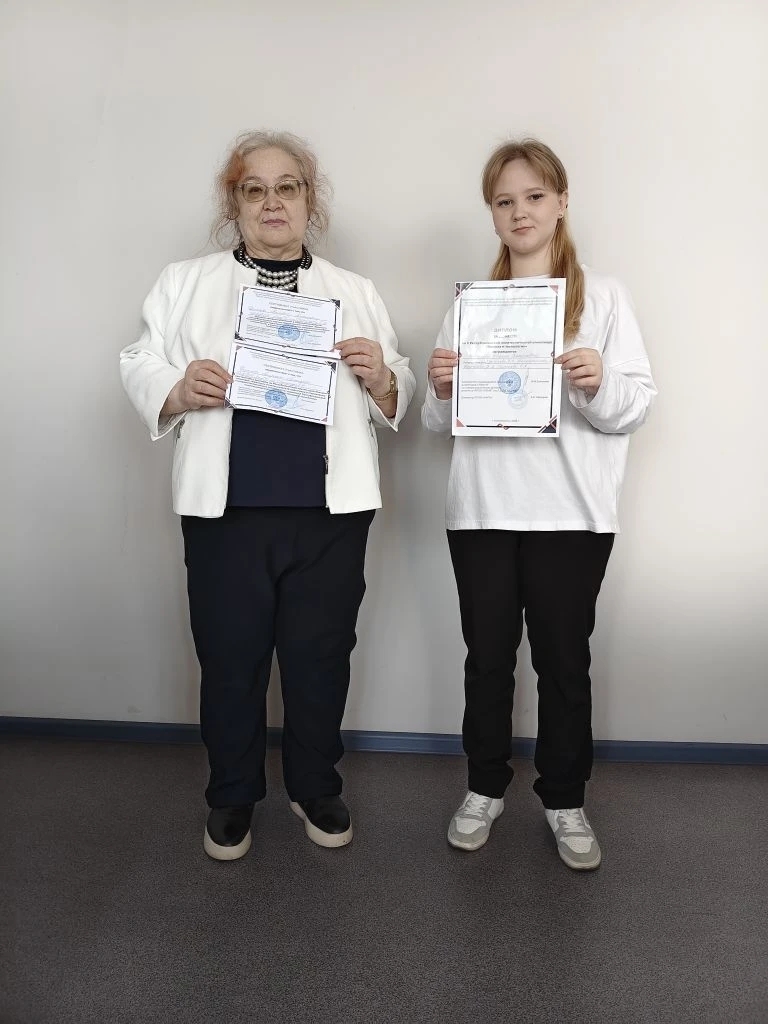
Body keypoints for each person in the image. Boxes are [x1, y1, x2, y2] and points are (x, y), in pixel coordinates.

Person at [121, 131, 415, 860]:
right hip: (227, 514)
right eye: (255, 189)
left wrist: (383, 375)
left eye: (288, 187)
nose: (272, 202)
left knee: (321, 658)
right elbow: (139, 359)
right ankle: (232, 795)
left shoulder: (354, 290)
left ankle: (316, 786)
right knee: (230, 660)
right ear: (236, 205)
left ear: (311, 201)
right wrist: (175, 387)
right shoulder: (185, 282)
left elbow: (398, 386)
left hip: (330, 514)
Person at [422, 139, 656, 870]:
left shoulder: (604, 299)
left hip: (570, 515)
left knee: (562, 663)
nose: (519, 212)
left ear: (561, 202)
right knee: (487, 660)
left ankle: (565, 800)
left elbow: (635, 406)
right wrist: (440, 386)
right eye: (504, 200)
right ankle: (483, 788)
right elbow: (434, 422)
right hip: (483, 511)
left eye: (533, 196)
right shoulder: (472, 305)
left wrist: (597, 382)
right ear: (491, 213)